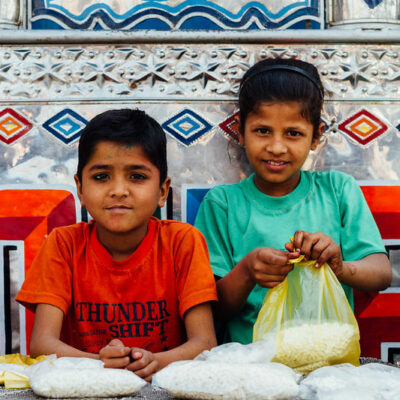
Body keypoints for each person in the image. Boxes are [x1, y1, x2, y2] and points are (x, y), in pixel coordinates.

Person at [194, 58, 392, 345]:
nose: (276, 147)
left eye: (294, 133)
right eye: (262, 130)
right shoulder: (223, 204)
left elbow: (382, 274)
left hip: (327, 361)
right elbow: (213, 309)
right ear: (240, 131)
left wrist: (338, 266)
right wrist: (247, 271)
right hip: (249, 364)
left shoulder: (338, 191)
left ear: (316, 136)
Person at [16, 109, 218, 381]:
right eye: (101, 177)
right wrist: (100, 363)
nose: (119, 190)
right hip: (84, 387)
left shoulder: (182, 242)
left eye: (137, 176)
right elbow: (41, 347)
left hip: (162, 386)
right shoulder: (63, 245)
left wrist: (154, 362)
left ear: (162, 191)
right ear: (80, 188)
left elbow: (205, 344)